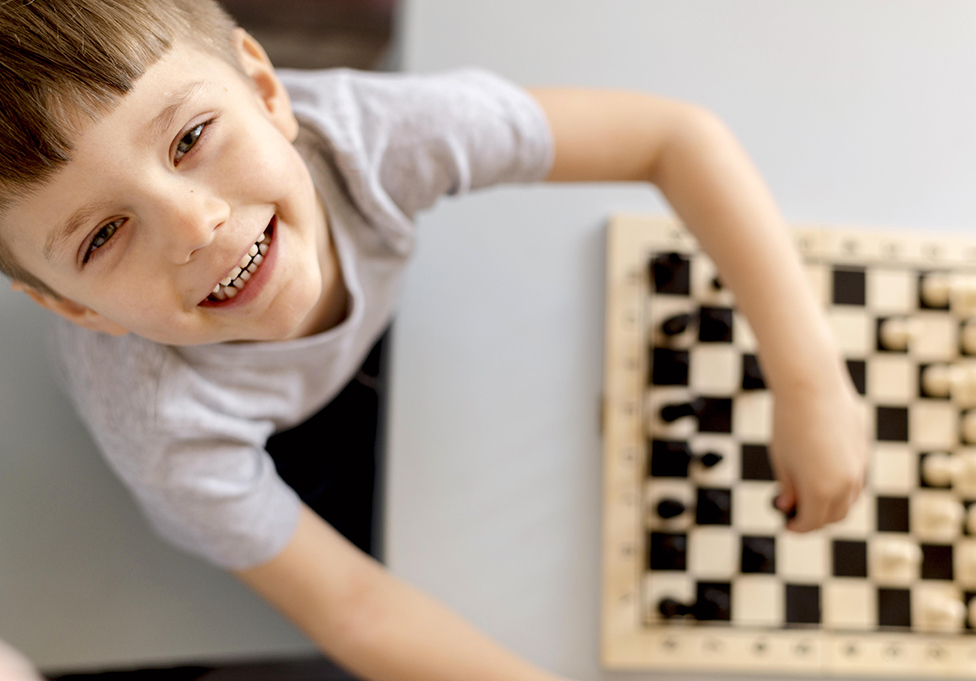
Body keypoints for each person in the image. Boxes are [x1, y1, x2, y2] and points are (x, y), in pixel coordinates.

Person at [0, 0, 867, 678]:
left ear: (267, 92)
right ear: (79, 310)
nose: (197, 224)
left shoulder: (373, 136)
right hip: (274, 424)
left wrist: (809, 380)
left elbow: (674, 137)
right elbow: (353, 608)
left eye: (191, 138)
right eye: (102, 237)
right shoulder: (162, 428)